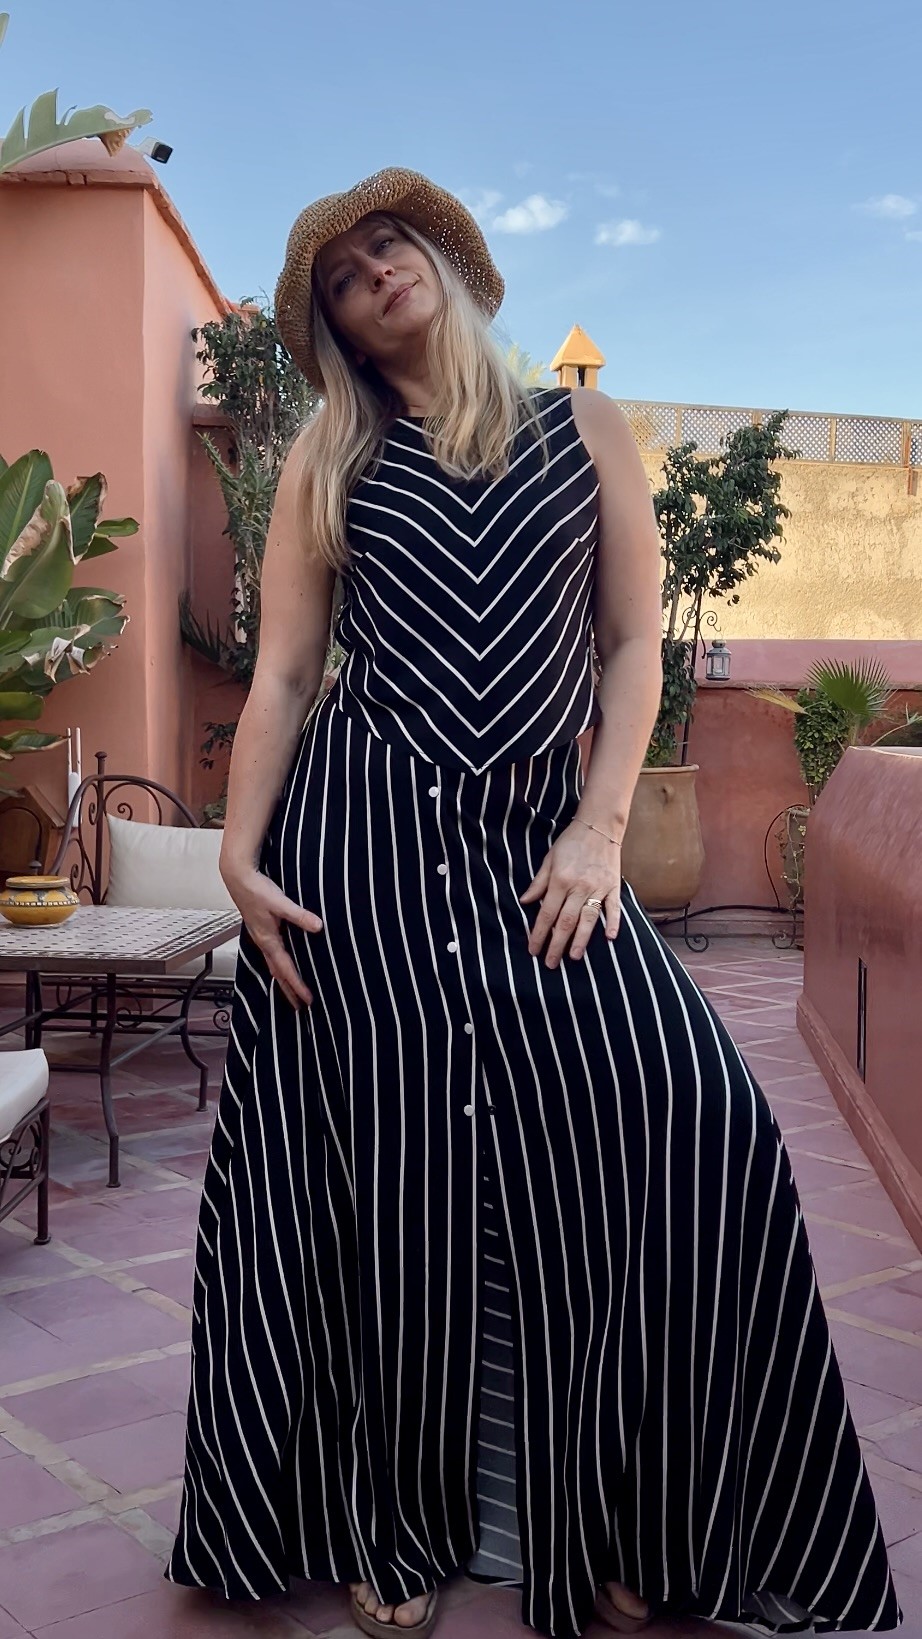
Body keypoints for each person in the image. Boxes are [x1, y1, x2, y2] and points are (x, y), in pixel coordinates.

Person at [164, 167, 903, 1639]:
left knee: (698, 1120)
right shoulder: (328, 456)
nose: (374, 274)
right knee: (394, 1188)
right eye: (342, 278)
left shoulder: (583, 428)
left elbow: (630, 646)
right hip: (362, 849)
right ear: (338, 330)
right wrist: (237, 860)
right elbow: (289, 675)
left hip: (535, 850)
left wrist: (599, 832)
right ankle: (393, 1522)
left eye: (389, 245)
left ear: (440, 256)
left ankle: (640, 1516)